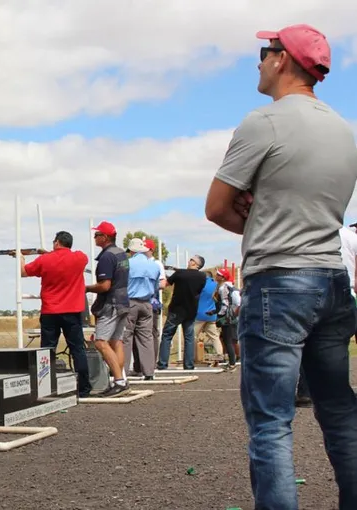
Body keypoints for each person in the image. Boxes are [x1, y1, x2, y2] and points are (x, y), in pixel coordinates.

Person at [205, 24, 357, 510]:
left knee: (271, 422)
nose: (258, 61)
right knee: (340, 411)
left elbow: (216, 207)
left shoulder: (263, 122)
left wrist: (257, 213)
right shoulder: (344, 129)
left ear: (281, 60)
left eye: (263, 52)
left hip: (279, 282)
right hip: (333, 282)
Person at [16, 230, 92, 397]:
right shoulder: (80, 257)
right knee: (78, 350)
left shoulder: (44, 260)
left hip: (50, 311)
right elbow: (63, 259)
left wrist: (20, 257)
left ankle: (44, 389)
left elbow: (23, 272)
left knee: (46, 352)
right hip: (72, 312)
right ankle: (84, 389)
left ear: (56, 243)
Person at [295, 224, 357, 407]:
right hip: (345, 289)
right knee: (338, 343)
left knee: (306, 342)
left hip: (311, 288)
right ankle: (338, 393)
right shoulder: (351, 237)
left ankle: (305, 392)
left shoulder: (310, 230)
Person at [85, 221, 130, 397]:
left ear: (104, 237)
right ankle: (121, 380)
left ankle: (118, 382)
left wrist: (87, 288)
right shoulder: (121, 253)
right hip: (123, 302)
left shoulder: (106, 257)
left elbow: (104, 286)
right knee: (116, 342)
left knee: (101, 342)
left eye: (97, 235)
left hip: (110, 304)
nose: (94, 237)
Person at [156, 255, 207, 370]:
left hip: (176, 309)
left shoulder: (180, 273)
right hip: (191, 310)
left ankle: (163, 363)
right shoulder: (202, 277)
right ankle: (189, 365)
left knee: (167, 336)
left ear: (195, 263)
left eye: (191, 260)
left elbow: (166, 284)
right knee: (189, 338)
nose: (189, 261)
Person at [123, 238, 161, 380]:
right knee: (146, 338)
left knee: (126, 338)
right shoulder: (154, 266)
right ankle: (149, 372)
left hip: (130, 302)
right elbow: (157, 286)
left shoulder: (127, 264)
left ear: (132, 251)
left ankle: (123, 371)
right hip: (147, 303)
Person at [142, 239, 167, 369]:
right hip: (140, 301)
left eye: (144, 248)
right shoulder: (138, 263)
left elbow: (163, 283)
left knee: (152, 333)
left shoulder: (157, 264)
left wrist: (146, 287)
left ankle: (151, 362)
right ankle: (140, 364)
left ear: (151, 250)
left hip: (152, 302)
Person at [212, 268, 240, 371]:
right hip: (231, 316)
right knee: (228, 339)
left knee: (228, 340)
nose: (216, 275)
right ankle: (232, 361)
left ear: (223, 277)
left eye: (218, 274)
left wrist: (220, 315)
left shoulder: (223, 287)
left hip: (226, 316)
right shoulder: (231, 286)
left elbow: (225, 303)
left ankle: (232, 363)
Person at [193, 272, 221, 363]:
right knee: (214, 336)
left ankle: (192, 357)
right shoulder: (216, 285)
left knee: (192, 336)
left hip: (199, 314)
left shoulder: (200, 285)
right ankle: (219, 355)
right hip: (211, 315)